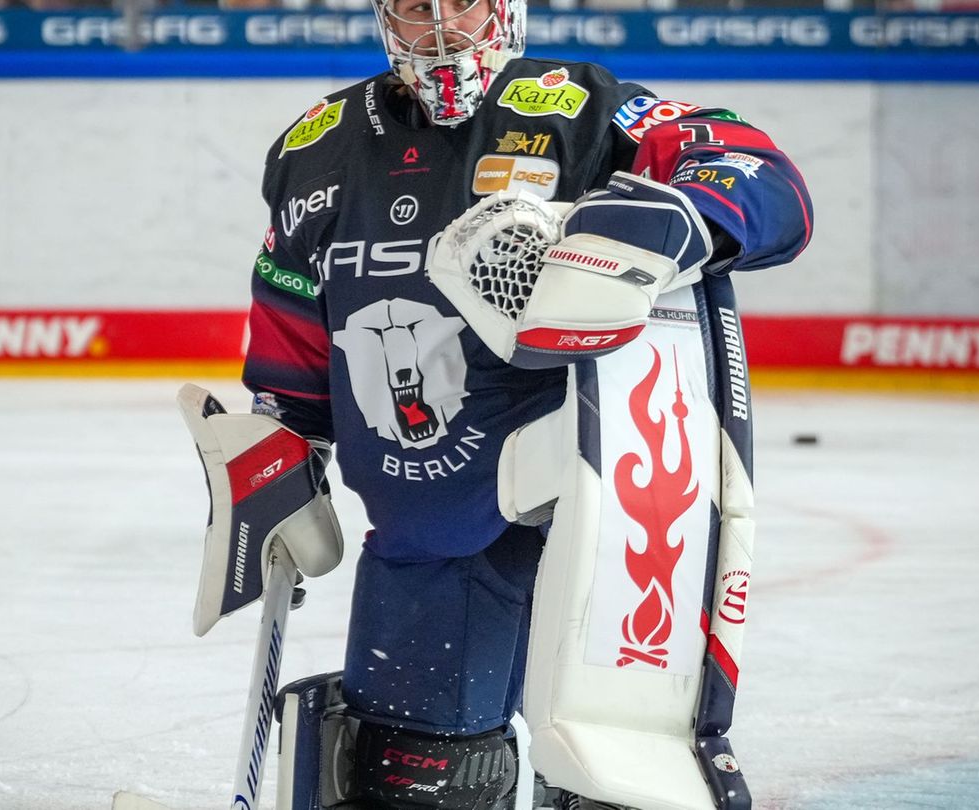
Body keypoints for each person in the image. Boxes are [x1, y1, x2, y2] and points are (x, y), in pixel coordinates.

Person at [236, 0, 813, 805]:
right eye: (412, 7)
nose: (438, 28)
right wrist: (279, 449)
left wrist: (681, 211)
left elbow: (759, 171)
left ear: (504, 8)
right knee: (414, 780)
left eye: (461, 5)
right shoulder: (315, 145)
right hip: (426, 524)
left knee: (615, 771)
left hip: (599, 515)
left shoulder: (577, 106)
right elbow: (292, 310)